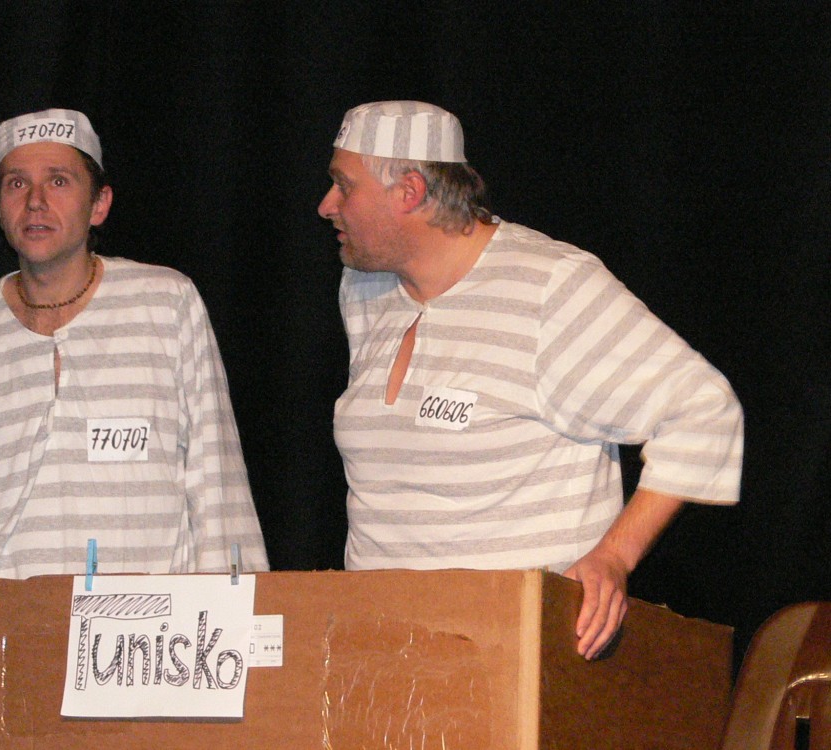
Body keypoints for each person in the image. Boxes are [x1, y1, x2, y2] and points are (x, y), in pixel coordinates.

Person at [318, 101, 743, 660]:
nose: (327, 205)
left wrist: (614, 557)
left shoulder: (551, 288)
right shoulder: (366, 290)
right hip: (379, 657)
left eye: (344, 186)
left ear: (410, 192)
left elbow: (703, 410)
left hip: (509, 660)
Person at [0, 108, 268, 580]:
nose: (35, 202)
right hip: (4, 619)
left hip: (143, 620)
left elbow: (218, 486)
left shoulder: (165, 304)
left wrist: (232, 610)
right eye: (16, 183)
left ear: (99, 204)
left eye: (58, 181)